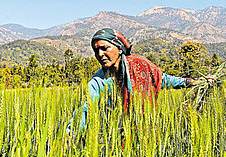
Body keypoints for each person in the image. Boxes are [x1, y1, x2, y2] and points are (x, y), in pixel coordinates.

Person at [67, 28, 197, 135]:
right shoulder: (99, 80)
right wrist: (70, 135)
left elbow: (161, 79)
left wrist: (189, 82)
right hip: (115, 136)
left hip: (146, 131)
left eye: (105, 48)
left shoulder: (140, 66)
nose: (100, 54)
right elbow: (86, 108)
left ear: (119, 48)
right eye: (96, 51)